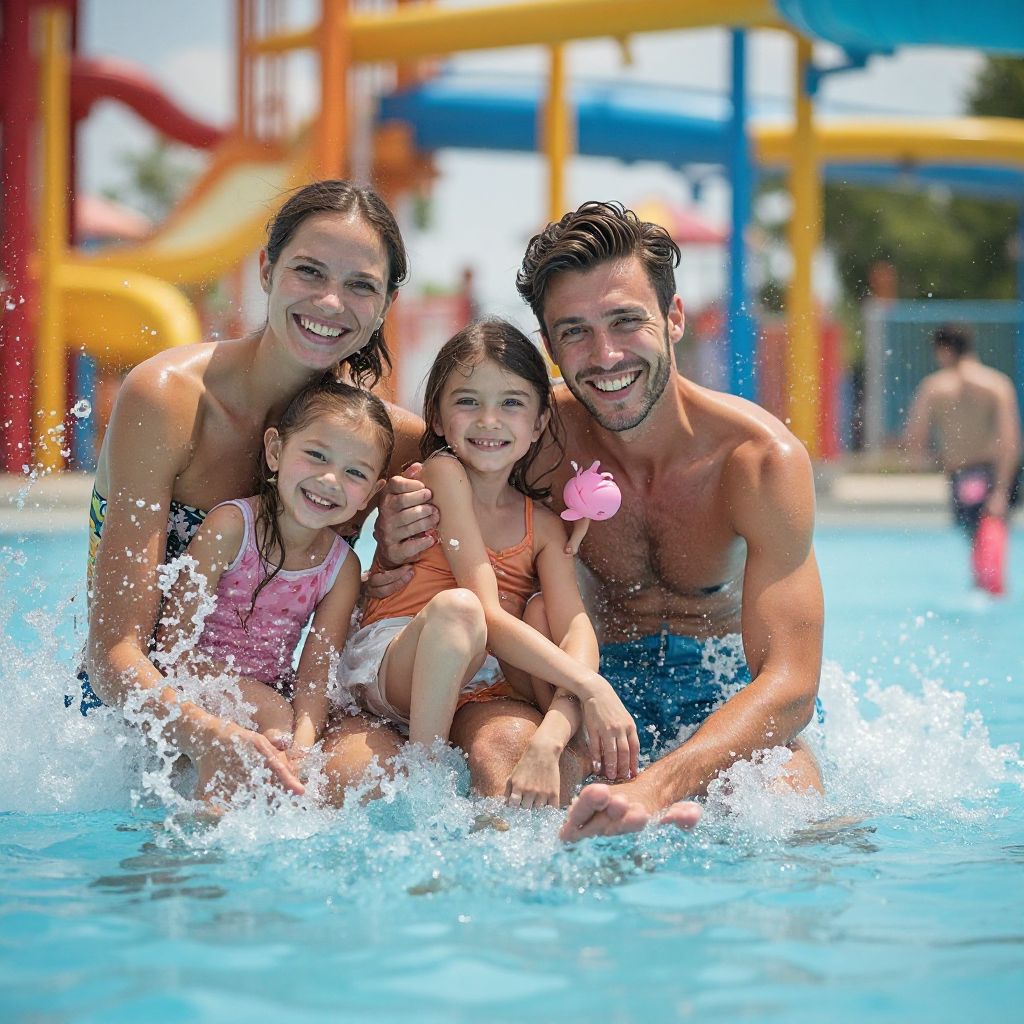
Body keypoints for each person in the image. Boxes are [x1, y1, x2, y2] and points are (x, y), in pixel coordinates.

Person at [372, 201, 825, 839]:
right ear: (550, 346)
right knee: (503, 761)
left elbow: (791, 683)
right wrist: (396, 526)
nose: (605, 355)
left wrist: (654, 786)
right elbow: (381, 443)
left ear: (673, 317)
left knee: (793, 811)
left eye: (625, 321)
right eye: (574, 331)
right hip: (571, 685)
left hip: (720, 693)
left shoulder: (757, 462)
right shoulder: (530, 436)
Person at [83, 180, 420, 806]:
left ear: (385, 302)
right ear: (267, 269)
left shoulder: (386, 443)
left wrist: (401, 549)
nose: (330, 301)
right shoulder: (169, 400)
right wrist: (210, 735)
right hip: (147, 699)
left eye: (360, 285)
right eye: (309, 271)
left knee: (376, 773)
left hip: (284, 697)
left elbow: (505, 457)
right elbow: (113, 655)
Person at [336, 318, 639, 807]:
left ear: (540, 421)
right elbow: (484, 612)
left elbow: (576, 629)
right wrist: (591, 688)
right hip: (400, 660)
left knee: (543, 615)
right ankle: (426, 779)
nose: (489, 420)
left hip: (483, 676)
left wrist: (551, 736)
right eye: (468, 401)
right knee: (461, 608)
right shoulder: (442, 472)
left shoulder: (542, 524)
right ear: (435, 416)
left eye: (512, 404)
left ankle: (572, 757)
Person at [153, 378, 392, 790]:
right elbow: (171, 648)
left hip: (266, 696)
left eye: (355, 472)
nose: (331, 480)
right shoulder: (231, 527)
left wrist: (301, 749)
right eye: (316, 455)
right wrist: (269, 716)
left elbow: (315, 677)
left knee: (296, 752)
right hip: (191, 680)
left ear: (371, 493)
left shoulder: (341, 567)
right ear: (276, 450)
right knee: (276, 722)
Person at [903, 323, 1022, 562]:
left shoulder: (934, 388)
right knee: (992, 540)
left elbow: (914, 439)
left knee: (975, 541)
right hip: (994, 472)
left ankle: (981, 586)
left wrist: (935, 461)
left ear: (945, 350)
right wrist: (1000, 489)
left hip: (962, 474)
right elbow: (1011, 441)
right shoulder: (997, 384)